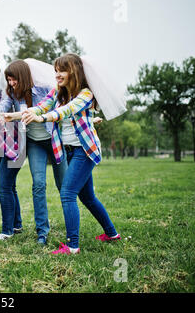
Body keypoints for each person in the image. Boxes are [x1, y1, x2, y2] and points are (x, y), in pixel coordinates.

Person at [0, 31, 69, 245]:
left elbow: (61, 107)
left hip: (51, 140)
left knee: (64, 187)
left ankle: (71, 229)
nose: (11, 83)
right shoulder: (11, 94)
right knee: (38, 184)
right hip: (30, 143)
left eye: (13, 79)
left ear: (22, 76)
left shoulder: (44, 90)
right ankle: (42, 232)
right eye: (8, 79)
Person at [21, 53, 121, 254]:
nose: (57, 75)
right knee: (88, 197)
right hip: (69, 151)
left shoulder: (85, 94)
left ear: (73, 72)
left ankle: (72, 246)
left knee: (67, 193)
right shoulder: (58, 91)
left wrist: (43, 119)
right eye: (55, 71)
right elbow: (42, 106)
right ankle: (112, 234)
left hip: (84, 150)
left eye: (62, 71)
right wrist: (26, 113)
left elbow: (66, 111)